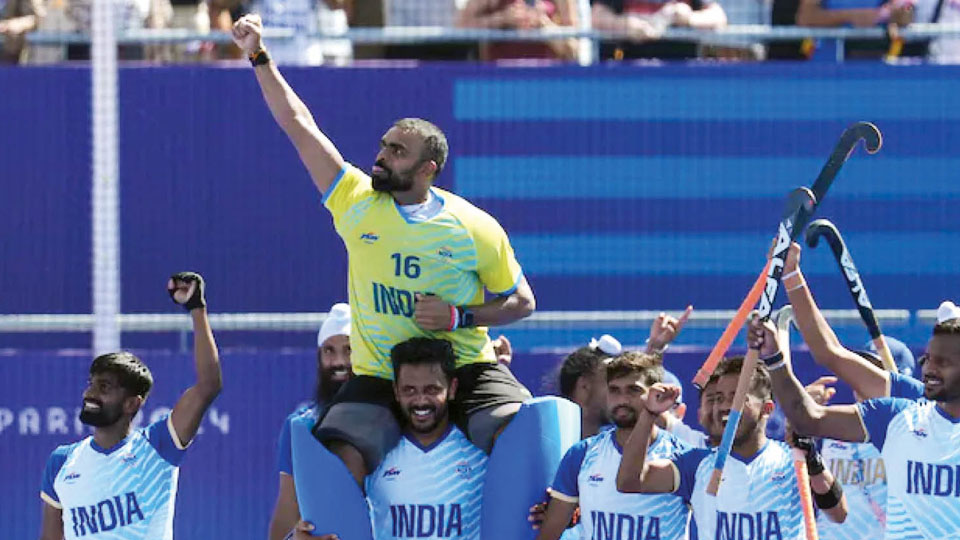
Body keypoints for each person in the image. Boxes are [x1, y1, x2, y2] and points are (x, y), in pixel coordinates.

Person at [232, 12, 536, 486]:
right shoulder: (355, 201)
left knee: (521, 431)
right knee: (333, 454)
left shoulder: (474, 227)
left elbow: (522, 303)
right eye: (383, 145)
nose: (380, 156)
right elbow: (298, 124)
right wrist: (258, 55)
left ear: (427, 168)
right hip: (378, 374)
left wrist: (460, 317)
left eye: (397, 151)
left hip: (465, 365)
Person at [756, 297, 960, 540]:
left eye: (873, 370)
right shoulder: (894, 417)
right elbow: (827, 359)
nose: (860, 380)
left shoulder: (911, 400)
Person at [38, 272, 222, 540]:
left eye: (104, 388)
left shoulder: (158, 447)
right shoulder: (62, 461)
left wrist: (196, 308)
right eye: (91, 383)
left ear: (131, 404)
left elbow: (208, 386)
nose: (90, 393)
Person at [616, 356, 847, 540]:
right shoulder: (696, 463)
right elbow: (629, 482)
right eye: (718, 398)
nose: (725, 406)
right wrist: (648, 415)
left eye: (737, 398)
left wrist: (812, 461)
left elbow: (838, 514)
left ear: (766, 409)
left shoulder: (793, 459)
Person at [292, 338, 488, 540]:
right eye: (409, 390)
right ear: (396, 391)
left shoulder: (479, 454)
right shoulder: (372, 453)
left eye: (432, 390)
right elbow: (328, 521)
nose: (420, 401)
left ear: (452, 388)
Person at [536, 351, 691, 540]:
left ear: (655, 393)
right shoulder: (582, 454)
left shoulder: (683, 457)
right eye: (614, 390)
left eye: (633, 390)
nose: (622, 400)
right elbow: (549, 534)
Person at [782, 242, 923, 401]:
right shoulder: (849, 422)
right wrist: (803, 415)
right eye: (861, 370)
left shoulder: (922, 415)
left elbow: (828, 352)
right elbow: (828, 351)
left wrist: (791, 276)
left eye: (873, 373)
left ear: (904, 378)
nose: (860, 381)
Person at [268, 302, 353, 540]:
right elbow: (287, 509)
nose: (339, 362)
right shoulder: (300, 427)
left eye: (349, 349)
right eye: (329, 350)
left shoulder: (388, 418)